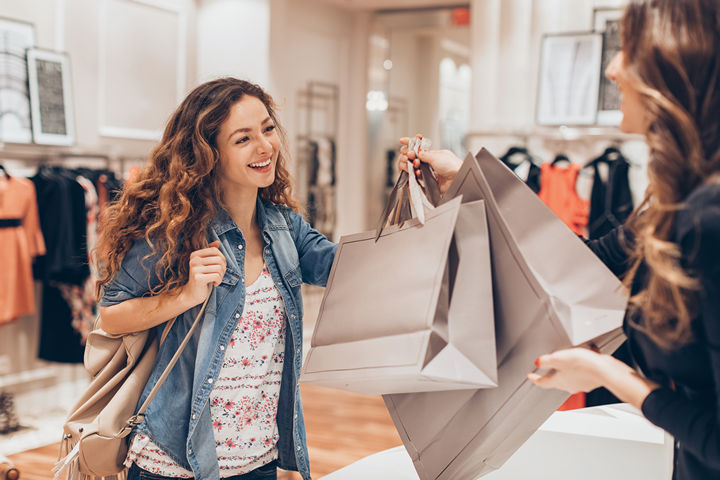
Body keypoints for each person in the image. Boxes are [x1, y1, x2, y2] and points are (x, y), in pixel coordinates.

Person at [399, 1, 720, 478]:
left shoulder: (706, 220)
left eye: (627, 50)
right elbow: (573, 265)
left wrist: (607, 375)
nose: (611, 68)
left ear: (674, 67)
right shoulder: (671, 203)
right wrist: (466, 182)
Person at [96, 78, 336, 480]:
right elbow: (111, 317)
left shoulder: (285, 230)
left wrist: (420, 199)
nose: (265, 147)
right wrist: (185, 295)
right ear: (207, 155)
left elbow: (354, 269)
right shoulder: (172, 232)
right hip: (175, 461)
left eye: (268, 128)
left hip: (258, 459)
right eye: (243, 139)